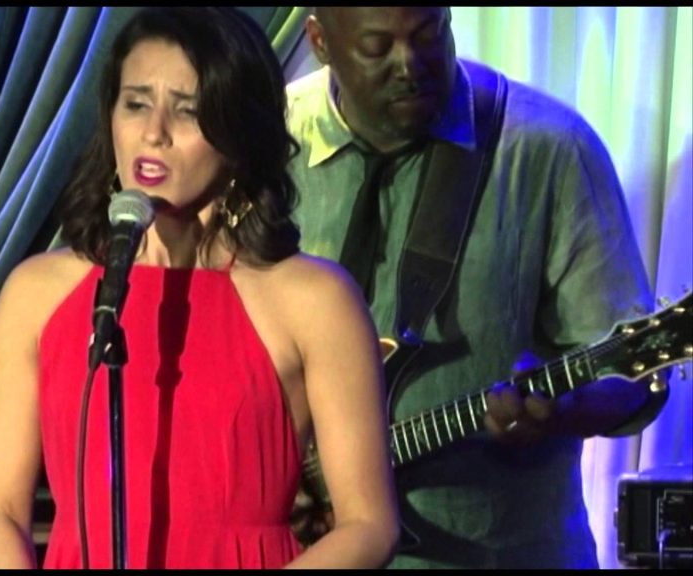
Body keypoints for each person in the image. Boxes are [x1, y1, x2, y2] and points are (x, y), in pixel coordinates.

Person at [0, 7, 399, 569]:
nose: (154, 134)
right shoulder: (37, 293)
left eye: (187, 111)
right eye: (136, 104)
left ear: (238, 134)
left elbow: (368, 524)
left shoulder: (313, 300)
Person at [285, 6, 665, 569]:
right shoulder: (266, 145)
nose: (409, 65)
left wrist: (562, 410)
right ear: (319, 40)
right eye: (377, 46)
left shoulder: (550, 149)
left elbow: (632, 381)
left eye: (428, 34)